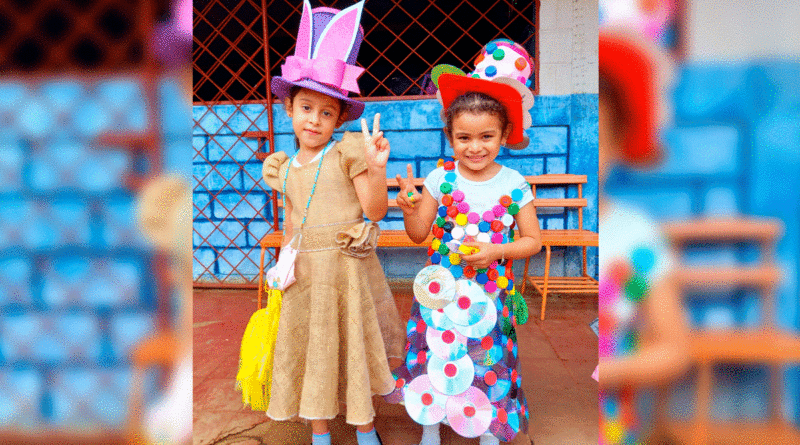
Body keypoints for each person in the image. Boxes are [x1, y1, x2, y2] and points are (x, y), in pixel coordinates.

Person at [255, 2, 404, 445]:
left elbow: (375, 212)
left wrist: (376, 170)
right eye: (306, 108)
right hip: (304, 278)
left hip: (345, 272)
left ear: (340, 117)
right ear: (289, 109)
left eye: (326, 112)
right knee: (313, 353)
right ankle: (320, 432)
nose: (314, 120)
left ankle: (365, 428)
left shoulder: (348, 152)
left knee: (352, 347)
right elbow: (295, 222)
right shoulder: (282, 166)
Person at [389, 39, 542, 445]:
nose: (475, 147)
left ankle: (490, 427)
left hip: (492, 290)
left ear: (505, 134)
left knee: (488, 354)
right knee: (438, 351)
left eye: (486, 137)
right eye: (463, 138)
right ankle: (430, 428)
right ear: (450, 136)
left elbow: (532, 242)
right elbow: (418, 233)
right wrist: (409, 206)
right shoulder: (440, 180)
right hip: (441, 288)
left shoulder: (514, 183)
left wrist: (496, 251)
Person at [597, 28, 690, 444]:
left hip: (612, 427)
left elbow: (674, 349)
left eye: (599, 139)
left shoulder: (637, 235)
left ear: (619, 142)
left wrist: (604, 370)